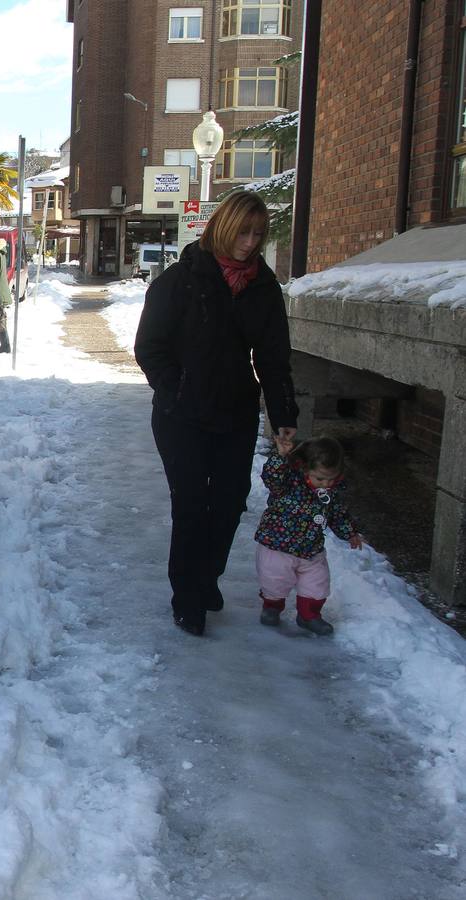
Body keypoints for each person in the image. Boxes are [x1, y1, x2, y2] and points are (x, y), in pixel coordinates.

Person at [134, 192, 299, 637]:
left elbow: (273, 358)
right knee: (191, 504)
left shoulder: (263, 288)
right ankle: (187, 597)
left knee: (228, 503)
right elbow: (150, 347)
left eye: (258, 235)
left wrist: (284, 416)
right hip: (180, 415)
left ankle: (207, 579)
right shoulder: (180, 280)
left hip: (235, 411)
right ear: (223, 227)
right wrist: (178, 389)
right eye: (243, 232)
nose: (250, 243)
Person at [254, 435, 362, 635]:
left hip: (311, 549)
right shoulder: (288, 482)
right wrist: (280, 457)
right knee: (274, 581)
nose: (325, 484)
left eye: (332, 479)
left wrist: (350, 533)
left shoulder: (331, 492)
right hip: (277, 546)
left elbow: (337, 515)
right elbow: (272, 478)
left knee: (317, 584)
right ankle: (272, 606)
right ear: (305, 468)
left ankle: (308, 615)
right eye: (320, 478)